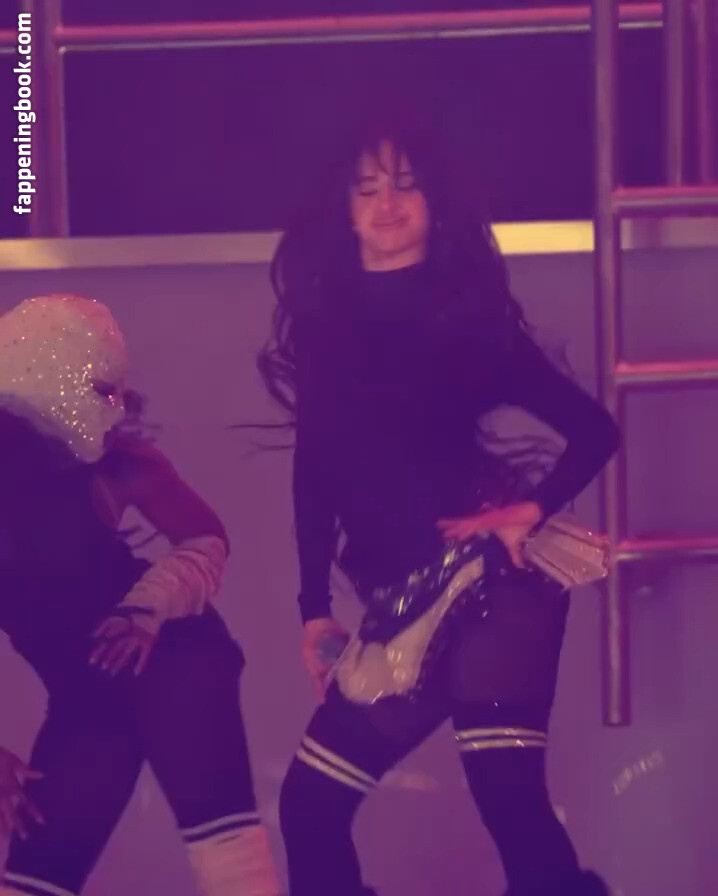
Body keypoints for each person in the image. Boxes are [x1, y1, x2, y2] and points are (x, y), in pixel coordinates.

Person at [258, 108, 620, 896]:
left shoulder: (470, 321)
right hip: (398, 601)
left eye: (406, 186)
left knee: (509, 801)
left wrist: (529, 509)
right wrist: (313, 608)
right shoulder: (325, 325)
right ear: (344, 207)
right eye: (366, 189)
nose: (386, 203)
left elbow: (596, 431)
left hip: (493, 584)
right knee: (311, 805)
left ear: (435, 202)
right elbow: (314, 471)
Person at [0, 295, 281, 896]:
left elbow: (206, 538)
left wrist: (147, 608)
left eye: (115, 392)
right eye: (99, 390)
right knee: (33, 879)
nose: (113, 408)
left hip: (175, 663)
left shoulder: (119, 465)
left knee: (229, 860)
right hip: (84, 696)